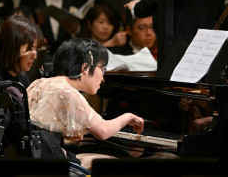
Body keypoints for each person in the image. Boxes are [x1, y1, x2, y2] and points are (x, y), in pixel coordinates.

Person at [27, 38, 144, 169]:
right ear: (85, 68)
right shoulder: (68, 92)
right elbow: (103, 131)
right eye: (102, 69)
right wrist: (128, 117)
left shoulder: (40, 82)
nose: (103, 78)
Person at [0, 15, 44, 90]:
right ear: (12, 47)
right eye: (30, 49)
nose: (35, 56)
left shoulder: (22, 77)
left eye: (35, 49)